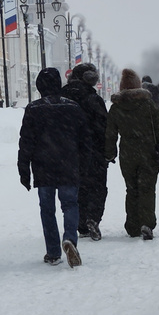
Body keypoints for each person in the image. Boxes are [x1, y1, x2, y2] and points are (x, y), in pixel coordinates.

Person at [18, 67, 89, 267]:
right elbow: (85, 141)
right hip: (69, 164)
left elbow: (26, 142)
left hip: (43, 167)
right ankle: (69, 239)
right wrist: (84, 164)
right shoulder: (73, 107)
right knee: (70, 205)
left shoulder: (33, 109)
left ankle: (53, 252)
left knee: (47, 209)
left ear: (39, 86)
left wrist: (24, 169)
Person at [106, 68, 159, 240]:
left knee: (131, 189)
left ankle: (132, 226)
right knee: (147, 189)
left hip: (128, 154)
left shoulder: (116, 108)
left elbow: (110, 133)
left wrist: (109, 153)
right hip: (149, 153)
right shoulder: (148, 105)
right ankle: (147, 224)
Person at [61, 62, 109, 240]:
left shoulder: (62, 97)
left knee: (76, 187)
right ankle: (93, 218)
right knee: (97, 186)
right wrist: (107, 150)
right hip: (94, 150)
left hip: (69, 151)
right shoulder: (93, 99)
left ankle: (80, 223)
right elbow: (104, 127)